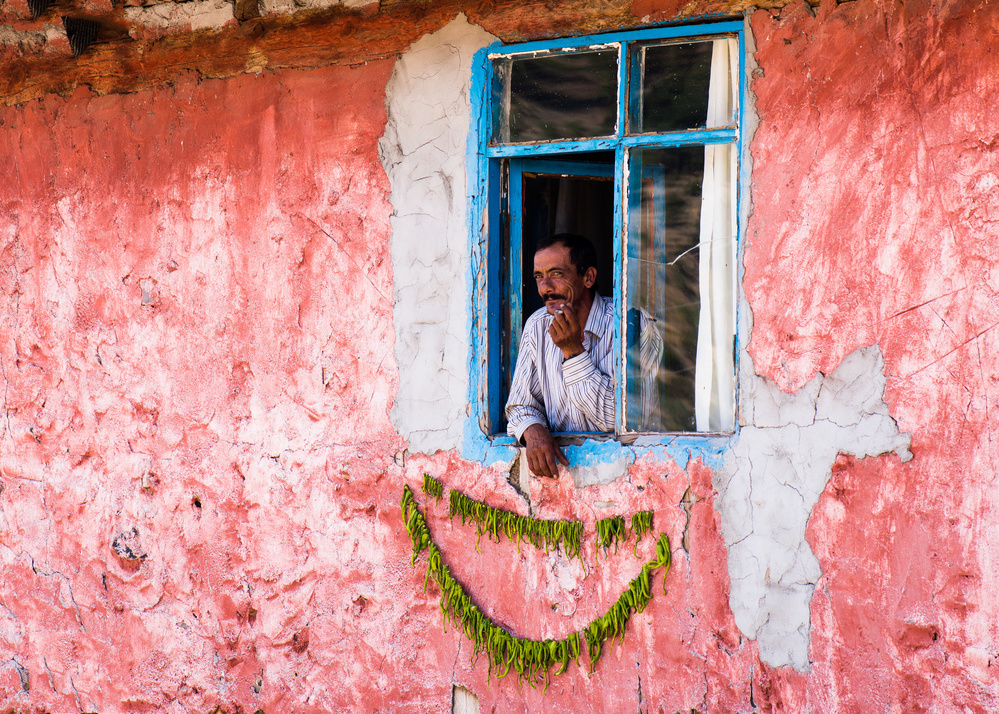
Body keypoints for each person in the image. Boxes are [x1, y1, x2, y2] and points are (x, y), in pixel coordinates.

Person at [505, 234, 615, 478]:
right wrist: (532, 430)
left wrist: (573, 351)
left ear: (588, 277)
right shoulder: (537, 325)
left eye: (556, 274)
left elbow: (613, 419)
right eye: (538, 277)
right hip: (558, 482)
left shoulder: (626, 325)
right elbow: (521, 406)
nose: (545, 287)